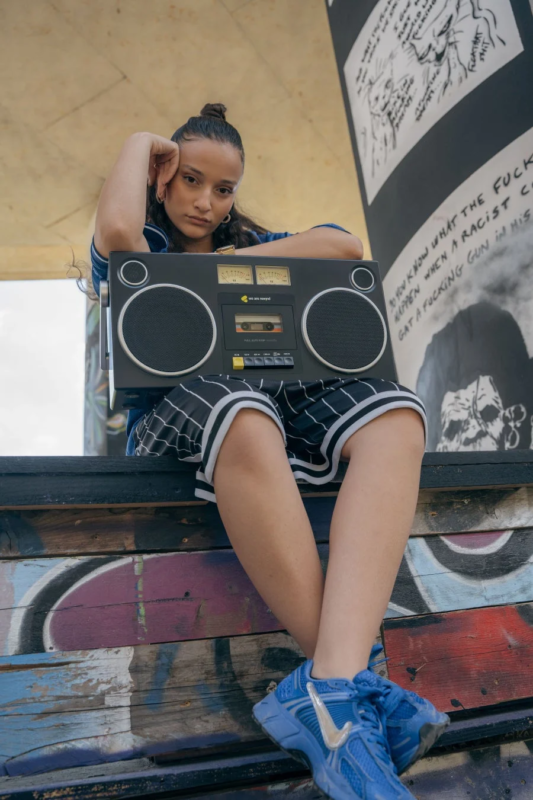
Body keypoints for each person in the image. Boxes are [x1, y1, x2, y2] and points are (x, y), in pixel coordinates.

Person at [89, 103, 449, 800]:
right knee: (244, 414)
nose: (204, 200)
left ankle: (328, 698)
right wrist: (139, 140)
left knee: (398, 418)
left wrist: (228, 267)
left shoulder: (258, 242)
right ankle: (354, 697)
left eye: (222, 189)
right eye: (189, 179)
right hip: (182, 409)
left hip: (280, 398)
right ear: (161, 177)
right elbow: (115, 231)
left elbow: (345, 249)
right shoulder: (147, 253)